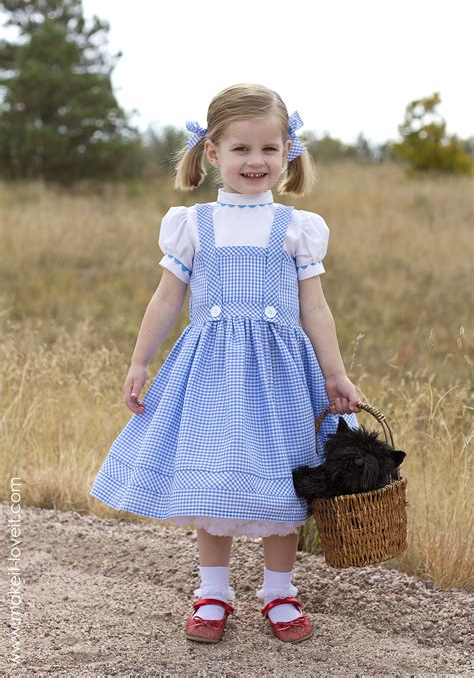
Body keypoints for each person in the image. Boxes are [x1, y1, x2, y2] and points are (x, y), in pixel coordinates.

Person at [89, 83, 361, 644]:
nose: (255, 161)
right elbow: (166, 300)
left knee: (282, 487)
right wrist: (141, 362)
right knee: (212, 485)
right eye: (240, 149)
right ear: (212, 152)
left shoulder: (296, 228)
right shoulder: (194, 225)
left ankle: (279, 593)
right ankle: (212, 592)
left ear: (288, 151)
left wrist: (335, 373)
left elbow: (315, 308)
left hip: (282, 379)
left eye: (268, 148)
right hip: (210, 374)